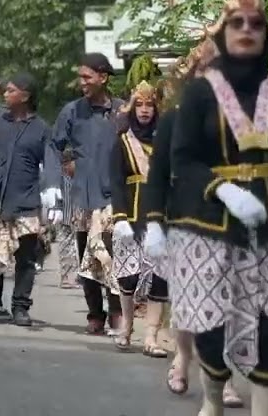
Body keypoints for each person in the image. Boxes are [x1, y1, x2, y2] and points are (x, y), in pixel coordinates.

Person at [156, 0, 268, 416]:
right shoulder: (199, 95)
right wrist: (224, 190)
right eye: (237, 23)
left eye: (256, 24)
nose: (247, 30)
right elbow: (183, 159)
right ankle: (214, 397)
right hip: (209, 224)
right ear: (223, 33)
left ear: (267, 34)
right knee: (212, 328)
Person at [144, 33, 244, 409]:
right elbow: (158, 175)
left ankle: (223, 377)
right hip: (187, 220)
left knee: (231, 305)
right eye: (206, 69)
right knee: (192, 307)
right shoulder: (174, 118)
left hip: (234, 219)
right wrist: (153, 222)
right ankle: (184, 356)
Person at [45, 53, 125, 335]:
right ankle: (95, 313)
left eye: (87, 77)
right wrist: (54, 181)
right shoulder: (71, 111)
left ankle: (117, 311)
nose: (82, 83)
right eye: (80, 77)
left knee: (116, 255)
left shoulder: (121, 111)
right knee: (87, 255)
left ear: (103, 78)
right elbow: (54, 146)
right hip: (83, 196)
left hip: (116, 197)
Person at [0, 73, 49, 326]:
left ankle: (20, 307)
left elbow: (50, 162)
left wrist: (51, 193)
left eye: (11, 90)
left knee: (25, 257)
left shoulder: (41, 129)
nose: (5, 94)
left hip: (24, 201)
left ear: (25, 96)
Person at [108, 80, 163, 353]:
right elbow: (116, 180)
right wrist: (119, 218)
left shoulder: (166, 140)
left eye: (149, 104)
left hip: (161, 216)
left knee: (159, 278)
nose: (144, 110)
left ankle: (151, 336)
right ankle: (127, 325)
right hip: (131, 213)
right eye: (139, 105)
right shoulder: (123, 140)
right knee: (128, 277)